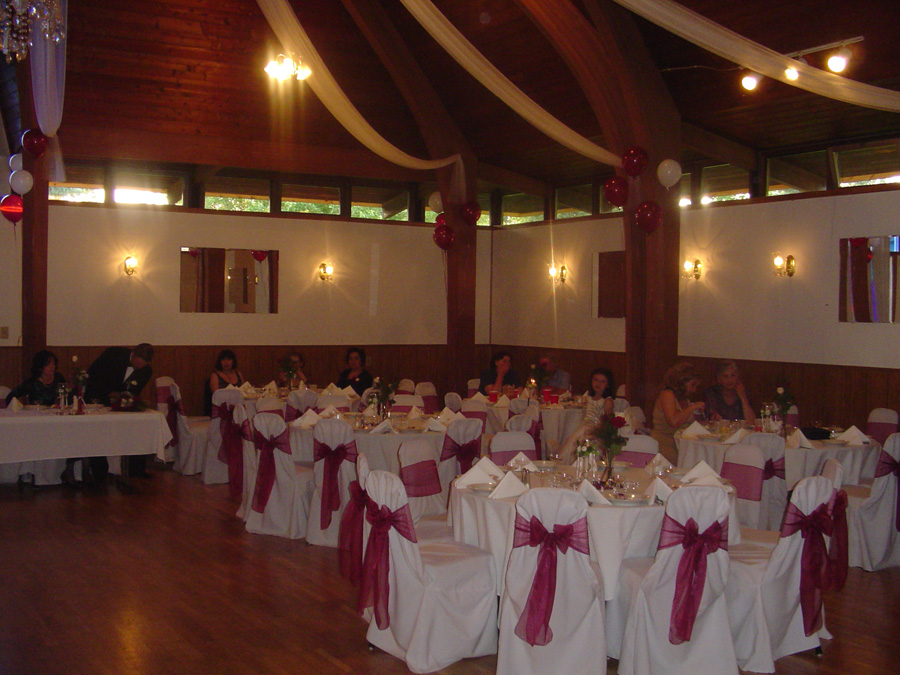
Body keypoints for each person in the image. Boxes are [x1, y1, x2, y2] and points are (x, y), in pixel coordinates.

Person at [84, 343, 155, 481]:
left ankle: (135, 469)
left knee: (138, 427)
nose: (140, 367)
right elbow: (94, 375)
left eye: (143, 365)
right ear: (133, 355)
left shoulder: (146, 371)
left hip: (121, 404)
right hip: (98, 398)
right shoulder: (113, 354)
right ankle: (99, 472)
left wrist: (126, 398)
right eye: (138, 363)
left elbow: (134, 391)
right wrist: (110, 393)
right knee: (98, 434)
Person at [650, 361, 705, 463]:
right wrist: (693, 407)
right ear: (682, 382)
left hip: (681, 444)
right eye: (693, 385)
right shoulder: (667, 394)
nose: (694, 390)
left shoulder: (684, 398)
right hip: (665, 443)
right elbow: (674, 421)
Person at [558, 367, 616, 463]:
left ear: (608, 385)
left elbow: (608, 419)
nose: (598, 384)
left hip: (595, 431)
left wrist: (599, 431)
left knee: (581, 444)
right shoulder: (590, 397)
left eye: (602, 381)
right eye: (596, 380)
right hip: (584, 427)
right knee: (573, 441)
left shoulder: (607, 400)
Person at [703, 359, 755, 426]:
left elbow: (751, 421)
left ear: (738, 377)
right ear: (719, 379)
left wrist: (743, 397)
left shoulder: (744, 392)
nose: (730, 380)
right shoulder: (712, 392)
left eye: (733, 375)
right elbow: (711, 414)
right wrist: (714, 416)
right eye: (725, 376)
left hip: (740, 429)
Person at [205, 349, 245, 416]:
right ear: (220, 362)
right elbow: (216, 395)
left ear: (233, 361)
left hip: (238, 406)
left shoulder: (238, 374)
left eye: (229, 360)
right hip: (222, 408)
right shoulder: (215, 375)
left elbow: (243, 391)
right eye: (223, 360)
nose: (226, 362)